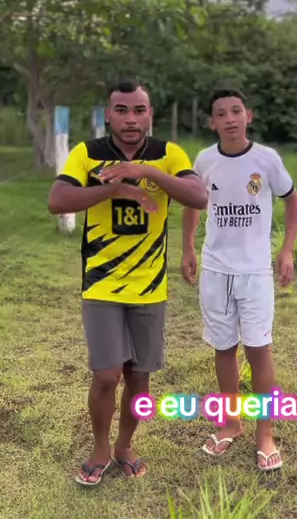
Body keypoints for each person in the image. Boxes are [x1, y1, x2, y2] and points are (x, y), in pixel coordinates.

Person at [48, 81, 207, 486]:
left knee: (139, 377)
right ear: (108, 115)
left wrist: (144, 172)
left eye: (139, 110)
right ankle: (100, 448)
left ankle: (124, 446)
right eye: (121, 110)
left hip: (150, 287)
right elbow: (58, 201)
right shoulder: (88, 153)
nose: (131, 119)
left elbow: (197, 196)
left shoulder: (168, 154)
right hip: (101, 285)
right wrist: (117, 188)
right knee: (107, 375)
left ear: (150, 114)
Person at [181, 87, 297, 472]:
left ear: (248, 115)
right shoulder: (204, 160)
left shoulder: (266, 160)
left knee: (258, 349)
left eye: (236, 111)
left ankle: (265, 433)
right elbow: (194, 203)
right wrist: (188, 247)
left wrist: (287, 250)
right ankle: (230, 423)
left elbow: (292, 199)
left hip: (254, 272)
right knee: (224, 348)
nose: (230, 119)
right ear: (211, 122)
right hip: (216, 270)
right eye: (221, 113)